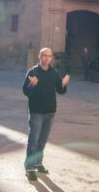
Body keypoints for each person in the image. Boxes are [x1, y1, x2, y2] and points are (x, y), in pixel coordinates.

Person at [22, 47, 70, 181]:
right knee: (33, 141)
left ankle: (38, 163)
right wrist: (32, 85)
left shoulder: (54, 72)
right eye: (44, 55)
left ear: (51, 58)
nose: (46, 58)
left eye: (49, 56)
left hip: (50, 111)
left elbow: (60, 90)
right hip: (36, 111)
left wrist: (64, 84)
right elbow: (26, 92)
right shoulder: (33, 72)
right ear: (39, 57)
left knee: (42, 141)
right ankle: (29, 168)